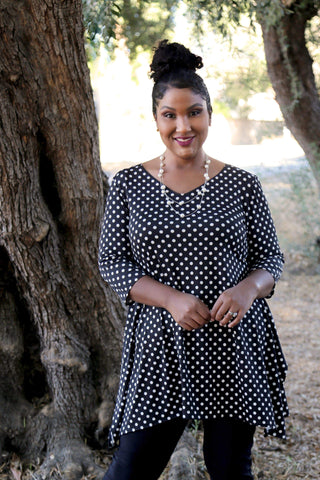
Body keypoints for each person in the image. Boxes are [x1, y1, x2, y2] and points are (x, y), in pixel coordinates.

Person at [98, 39, 288, 480]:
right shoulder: (128, 185)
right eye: (171, 115)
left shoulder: (243, 185)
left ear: (209, 114)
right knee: (130, 470)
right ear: (156, 119)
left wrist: (247, 289)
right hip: (160, 348)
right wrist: (170, 300)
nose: (183, 126)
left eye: (194, 112)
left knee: (230, 469)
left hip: (232, 347)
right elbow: (112, 262)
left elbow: (270, 259)